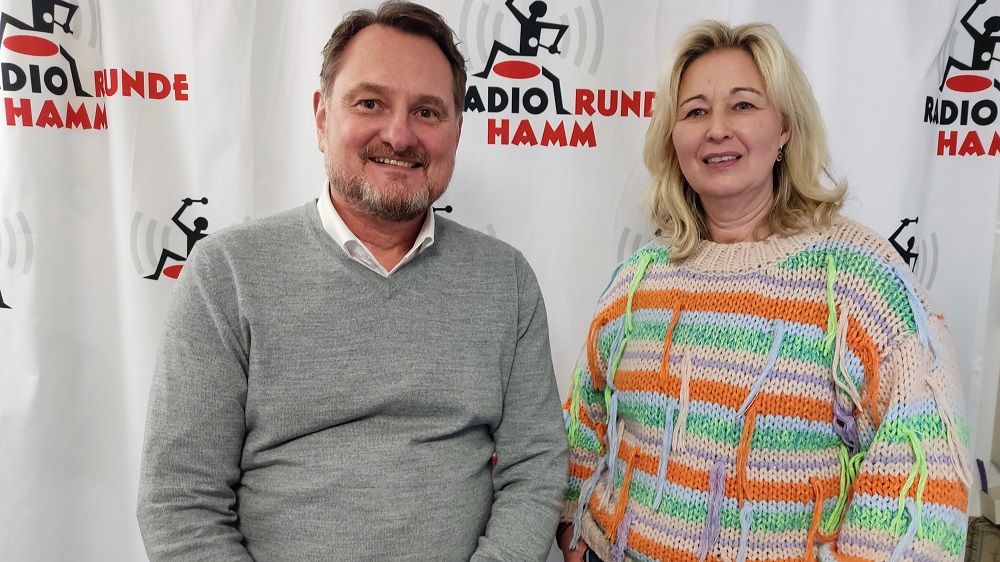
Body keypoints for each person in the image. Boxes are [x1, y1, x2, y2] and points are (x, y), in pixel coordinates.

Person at [136, 2, 568, 561]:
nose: (399, 134)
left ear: (457, 130)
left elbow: (534, 470)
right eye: (370, 102)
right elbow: (179, 501)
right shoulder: (227, 273)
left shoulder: (506, 280)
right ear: (321, 118)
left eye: (428, 112)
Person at [558, 20, 970, 562]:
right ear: (672, 138)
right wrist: (576, 534)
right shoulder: (637, 282)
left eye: (744, 105)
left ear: (785, 130)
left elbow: (924, 471)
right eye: (695, 111)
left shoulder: (858, 278)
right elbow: (586, 423)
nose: (717, 129)